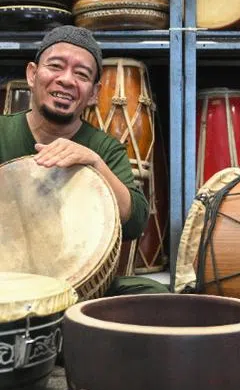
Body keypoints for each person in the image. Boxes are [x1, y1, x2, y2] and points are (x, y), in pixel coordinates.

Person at [0, 26, 166, 296]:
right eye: (55, 66)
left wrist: (95, 164)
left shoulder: (104, 148)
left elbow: (135, 222)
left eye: (81, 74)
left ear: (92, 93)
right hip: (6, 282)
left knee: (156, 296)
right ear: (32, 74)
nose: (66, 80)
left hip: (79, 286)